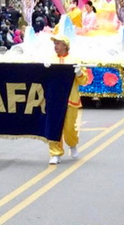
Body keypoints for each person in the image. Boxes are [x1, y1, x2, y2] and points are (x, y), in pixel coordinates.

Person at [47, 35, 88, 165]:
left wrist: (79, 73)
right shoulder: (50, 60)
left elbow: (84, 81)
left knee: (69, 127)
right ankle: (55, 153)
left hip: (71, 99)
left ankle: (72, 144)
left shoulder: (74, 60)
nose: (56, 46)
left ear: (65, 45)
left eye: (58, 43)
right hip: (54, 99)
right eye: (55, 43)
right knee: (54, 127)